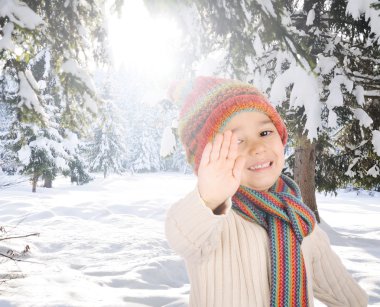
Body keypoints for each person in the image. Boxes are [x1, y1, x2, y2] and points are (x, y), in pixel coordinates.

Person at [165, 76, 368, 307]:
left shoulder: (300, 220)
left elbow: (346, 295)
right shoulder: (212, 221)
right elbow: (182, 236)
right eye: (238, 140)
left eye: (265, 133)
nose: (258, 148)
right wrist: (210, 197)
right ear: (210, 160)